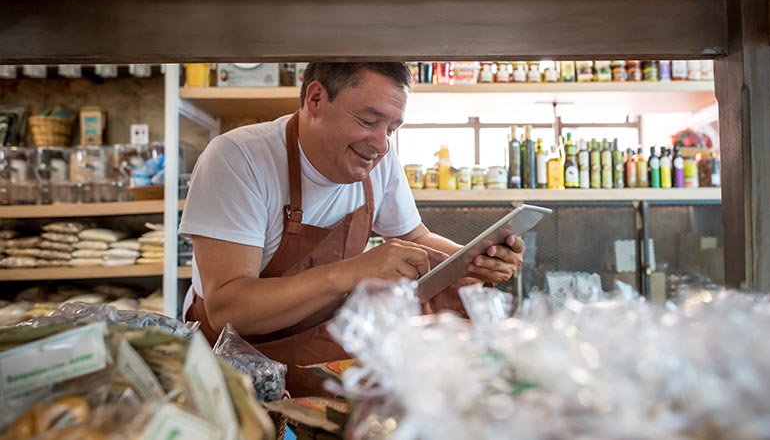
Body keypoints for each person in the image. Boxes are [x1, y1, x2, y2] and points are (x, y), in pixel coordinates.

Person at [180, 62, 525, 396]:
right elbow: (229, 309)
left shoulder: (380, 162)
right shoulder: (239, 158)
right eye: (368, 121)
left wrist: (475, 257)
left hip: (317, 356)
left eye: (390, 129)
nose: (382, 145)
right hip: (234, 370)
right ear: (315, 100)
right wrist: (353, 271)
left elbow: (416, 237)